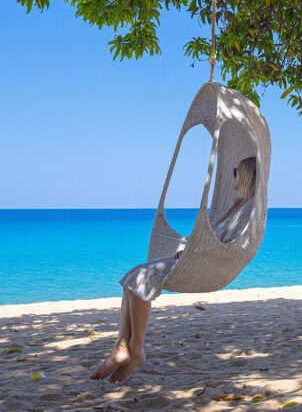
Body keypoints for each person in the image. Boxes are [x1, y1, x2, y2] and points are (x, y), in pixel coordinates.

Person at [90, 157, 258, 383]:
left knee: (142, 278)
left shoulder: (249, 210)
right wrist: (189, 249)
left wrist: (194, 253)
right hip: (195, 258)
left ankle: (135, 350)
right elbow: (212, 237)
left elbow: (228, 244)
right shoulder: (236, 205)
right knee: (133, 276)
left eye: (236, 171)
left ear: (246, 175)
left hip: (206, 265)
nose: (233, 176)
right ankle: (122, 346)